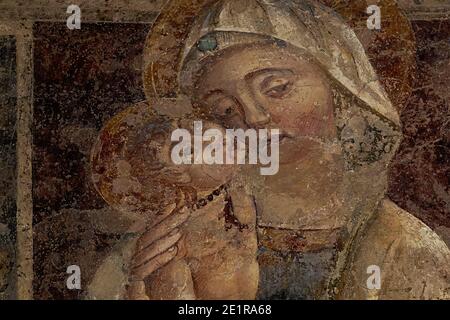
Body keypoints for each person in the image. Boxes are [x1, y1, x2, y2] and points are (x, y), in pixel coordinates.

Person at [90, 0, 450, 299]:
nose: (254, 118)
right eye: (224, 110)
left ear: (342, 91)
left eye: (277, 87)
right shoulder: (153, 251)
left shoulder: (404, 247)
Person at [89, 102, 258, 299]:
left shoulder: (239, 192)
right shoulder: (170, 240)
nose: (209, 139)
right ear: (178, 179)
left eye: (191, 127)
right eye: (186, 151)